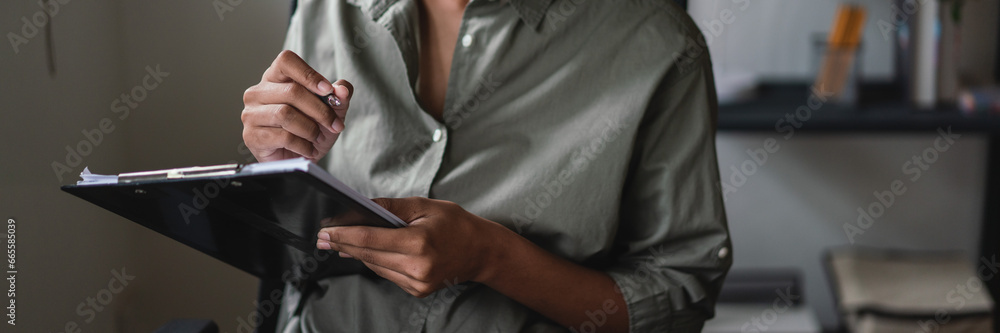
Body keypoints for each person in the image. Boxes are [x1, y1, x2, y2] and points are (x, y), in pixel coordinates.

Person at [240, 0, 732, 331]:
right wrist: (277, 169)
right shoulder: (325, 10)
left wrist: (491, 257)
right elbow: (296, 239)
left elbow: (679, 292)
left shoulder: (656, 40)